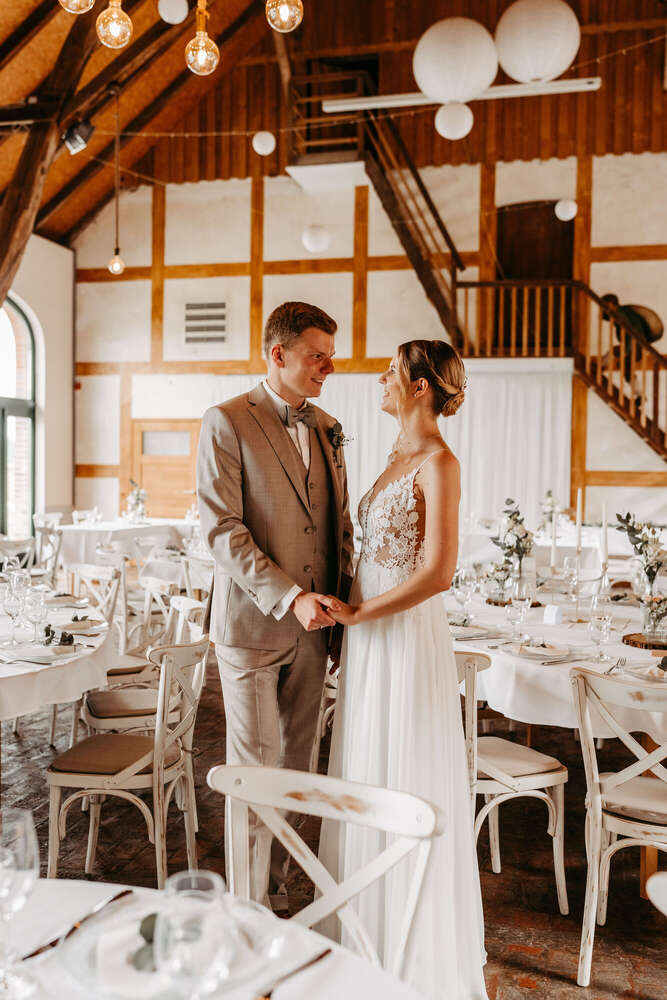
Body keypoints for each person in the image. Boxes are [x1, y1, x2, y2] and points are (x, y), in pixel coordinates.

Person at [318, 340, 488, 1000]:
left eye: (391, 375)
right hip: (366, 637)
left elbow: (437, 572)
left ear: (420, 388)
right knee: (364, 756)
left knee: (403, 761)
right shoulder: (391, 457)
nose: (380, 383)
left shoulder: (439, 462)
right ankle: (358, 925)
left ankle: (408, 944)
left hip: (402, 632)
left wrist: (360, 616)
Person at [197, 301, 354, 906]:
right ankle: (248, 912)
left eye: (330, 356)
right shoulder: (227, 420)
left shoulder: (328, 426)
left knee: (295, 773)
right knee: (254, 772)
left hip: (316, 635)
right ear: (278, 354)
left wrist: (338, 617)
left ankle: (280, 891)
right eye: (318, 355)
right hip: (252, 628)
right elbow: (222, 530)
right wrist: (291, 597)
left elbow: (336, 527)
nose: (328, 367)